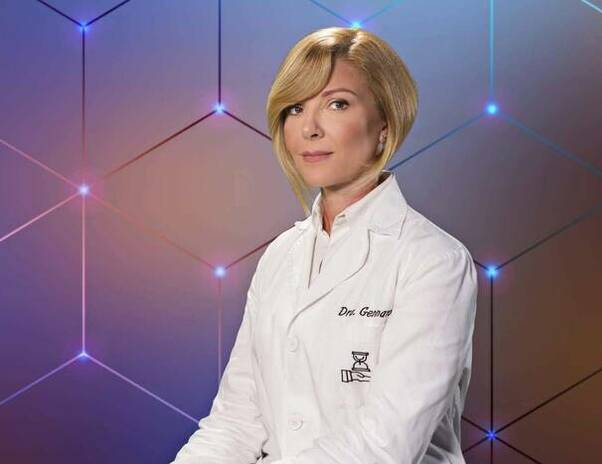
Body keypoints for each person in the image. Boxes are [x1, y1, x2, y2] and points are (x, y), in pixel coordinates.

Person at [170, 26, 478, 464]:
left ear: (385, 125)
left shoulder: (435, 262)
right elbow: (235, 423)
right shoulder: (281, 256)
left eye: (337, 104)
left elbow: (383, 445)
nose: (309, 128)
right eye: (296, 108)